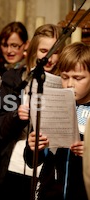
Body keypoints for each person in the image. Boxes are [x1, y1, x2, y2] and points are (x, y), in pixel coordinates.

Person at [0, 24, 64, 200]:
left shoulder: (64, 82)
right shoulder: (13, 79)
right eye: (44, 50)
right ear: (33, 50)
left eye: (55, 52)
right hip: (13, 164)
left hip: (48, 170)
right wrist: (16, 115)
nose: (49, 58)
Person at [25, 42, 90, 200]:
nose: (69, 84)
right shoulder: (52, 104)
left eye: (78, 78)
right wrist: (34, 148)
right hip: (50, 191)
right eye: (65, 77)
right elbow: (31, 162)